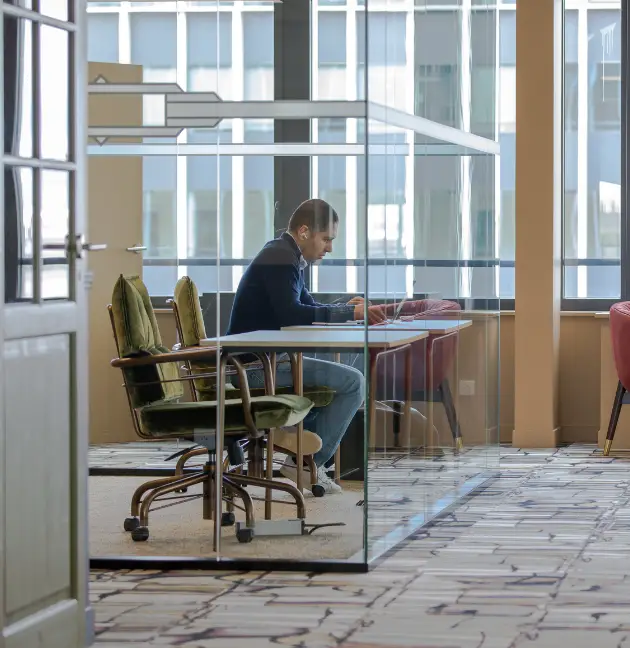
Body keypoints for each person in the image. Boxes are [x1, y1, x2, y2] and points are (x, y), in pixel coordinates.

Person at [227, 198, 386, 494]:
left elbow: (306, 307)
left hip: (271, 361)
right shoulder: (279, 257)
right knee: (354, 383)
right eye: (326, 239)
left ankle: (297, 440)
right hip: (253, 368)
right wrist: (349, 313)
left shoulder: (287, 256)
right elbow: (292, 314)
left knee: (354, 362)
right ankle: (306, 461)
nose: (329, 248)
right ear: (303, 231)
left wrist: (343, 308)